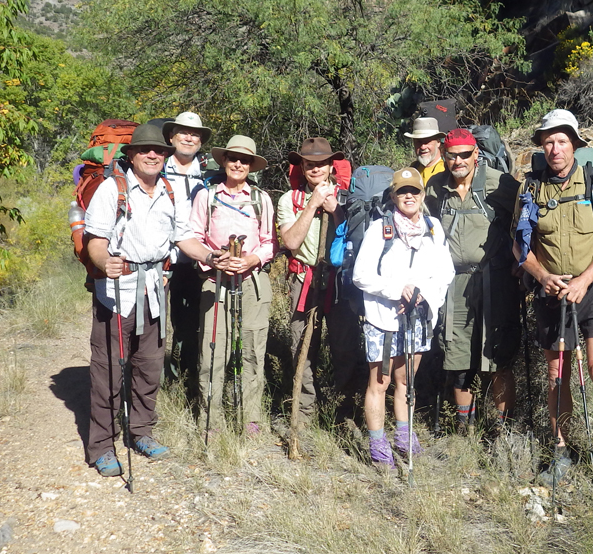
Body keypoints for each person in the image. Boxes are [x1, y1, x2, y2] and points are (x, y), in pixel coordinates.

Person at [83, 124, 226, 476]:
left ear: (166, 156)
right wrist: (105, 263)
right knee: (109, 369)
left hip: (153, 289)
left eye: (159, 151)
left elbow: (183, 239)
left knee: (149, 365)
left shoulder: (169, 192)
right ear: (130, 155)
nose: (152, 155)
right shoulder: (111, 190)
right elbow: (95, 241)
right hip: (117, 292)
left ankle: (141, 432)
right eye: (145, 150)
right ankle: (102, 445)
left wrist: (209, 257)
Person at [513, 109, 593, 486]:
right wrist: (542, 276)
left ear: (574, 144)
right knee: (557, 373)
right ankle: (561, 451)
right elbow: (520, 244)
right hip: (551, 290)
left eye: (562, 140)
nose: (555, 148)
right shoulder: (530, 189)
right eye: (548, 141)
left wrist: (584, 280)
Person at [351, 168, 454, 467]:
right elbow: (361, 276)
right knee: (379, 383)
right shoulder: (379, 229)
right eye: (402, 191)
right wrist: (397, 291)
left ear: (422, 194)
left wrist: (424, 295)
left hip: (420, 317)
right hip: (383, 319)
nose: (409, 196)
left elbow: (445, 271)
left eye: (415, 191)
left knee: (406, 381)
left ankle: (404, 437)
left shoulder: (433, 228)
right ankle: (378, 444)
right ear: (393, 196)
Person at [425, 128, 521, 435]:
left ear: (475, 155)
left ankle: (502, 431)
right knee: (458, 358)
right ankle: (466, 429)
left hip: (496, 282)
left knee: (498, 358)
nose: (458, 161)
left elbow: (526, 217)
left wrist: (523, 260)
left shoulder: (498, 183)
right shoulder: (435, 188)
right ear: (444, 156)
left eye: (465, 155)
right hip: (454, 286)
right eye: (452, 156)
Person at [185, 135, 275, 436]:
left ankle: (250, 418)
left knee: (251, 348)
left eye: (245, 160)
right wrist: (213, 260)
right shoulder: (207, 197)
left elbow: (268, 243)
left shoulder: (261, 199)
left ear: (251, 165)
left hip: (252, 282)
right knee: (214, 350)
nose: (238, 164)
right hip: (215, 280)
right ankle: (210, 419)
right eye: (233, 158)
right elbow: (193, 237)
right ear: (223, 161)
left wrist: (251, 259)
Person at [276, 137, 364, 424]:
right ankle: (303, 413)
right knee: (302, 345)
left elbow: (354, 236)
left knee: (345, 346)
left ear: (330, 166)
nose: (315, 168)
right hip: (304, 279)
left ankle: (344, 411)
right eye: (309, 163)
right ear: (302, 165)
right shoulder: (289, 200)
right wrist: (312, 204)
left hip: (339, 282)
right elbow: (290, 240)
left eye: (321, 163)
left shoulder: (348, 198)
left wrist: (334, 209)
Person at [160, 112, 213, 392]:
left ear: (201, 140)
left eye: (195, 134)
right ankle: (151, 385)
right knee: (153, 326)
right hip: (160, 260)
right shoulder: (155, 167)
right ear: (171, 136)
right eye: (183, 132)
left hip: (195, 261)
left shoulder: (209, 173)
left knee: (191, 325)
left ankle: (185, 381)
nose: (189, 137)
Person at [406, 116, 445, 185]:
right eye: (418, 142)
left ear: (438, 142)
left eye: (427, 142)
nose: (422, 147)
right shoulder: (413, 169)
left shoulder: (446, 171)